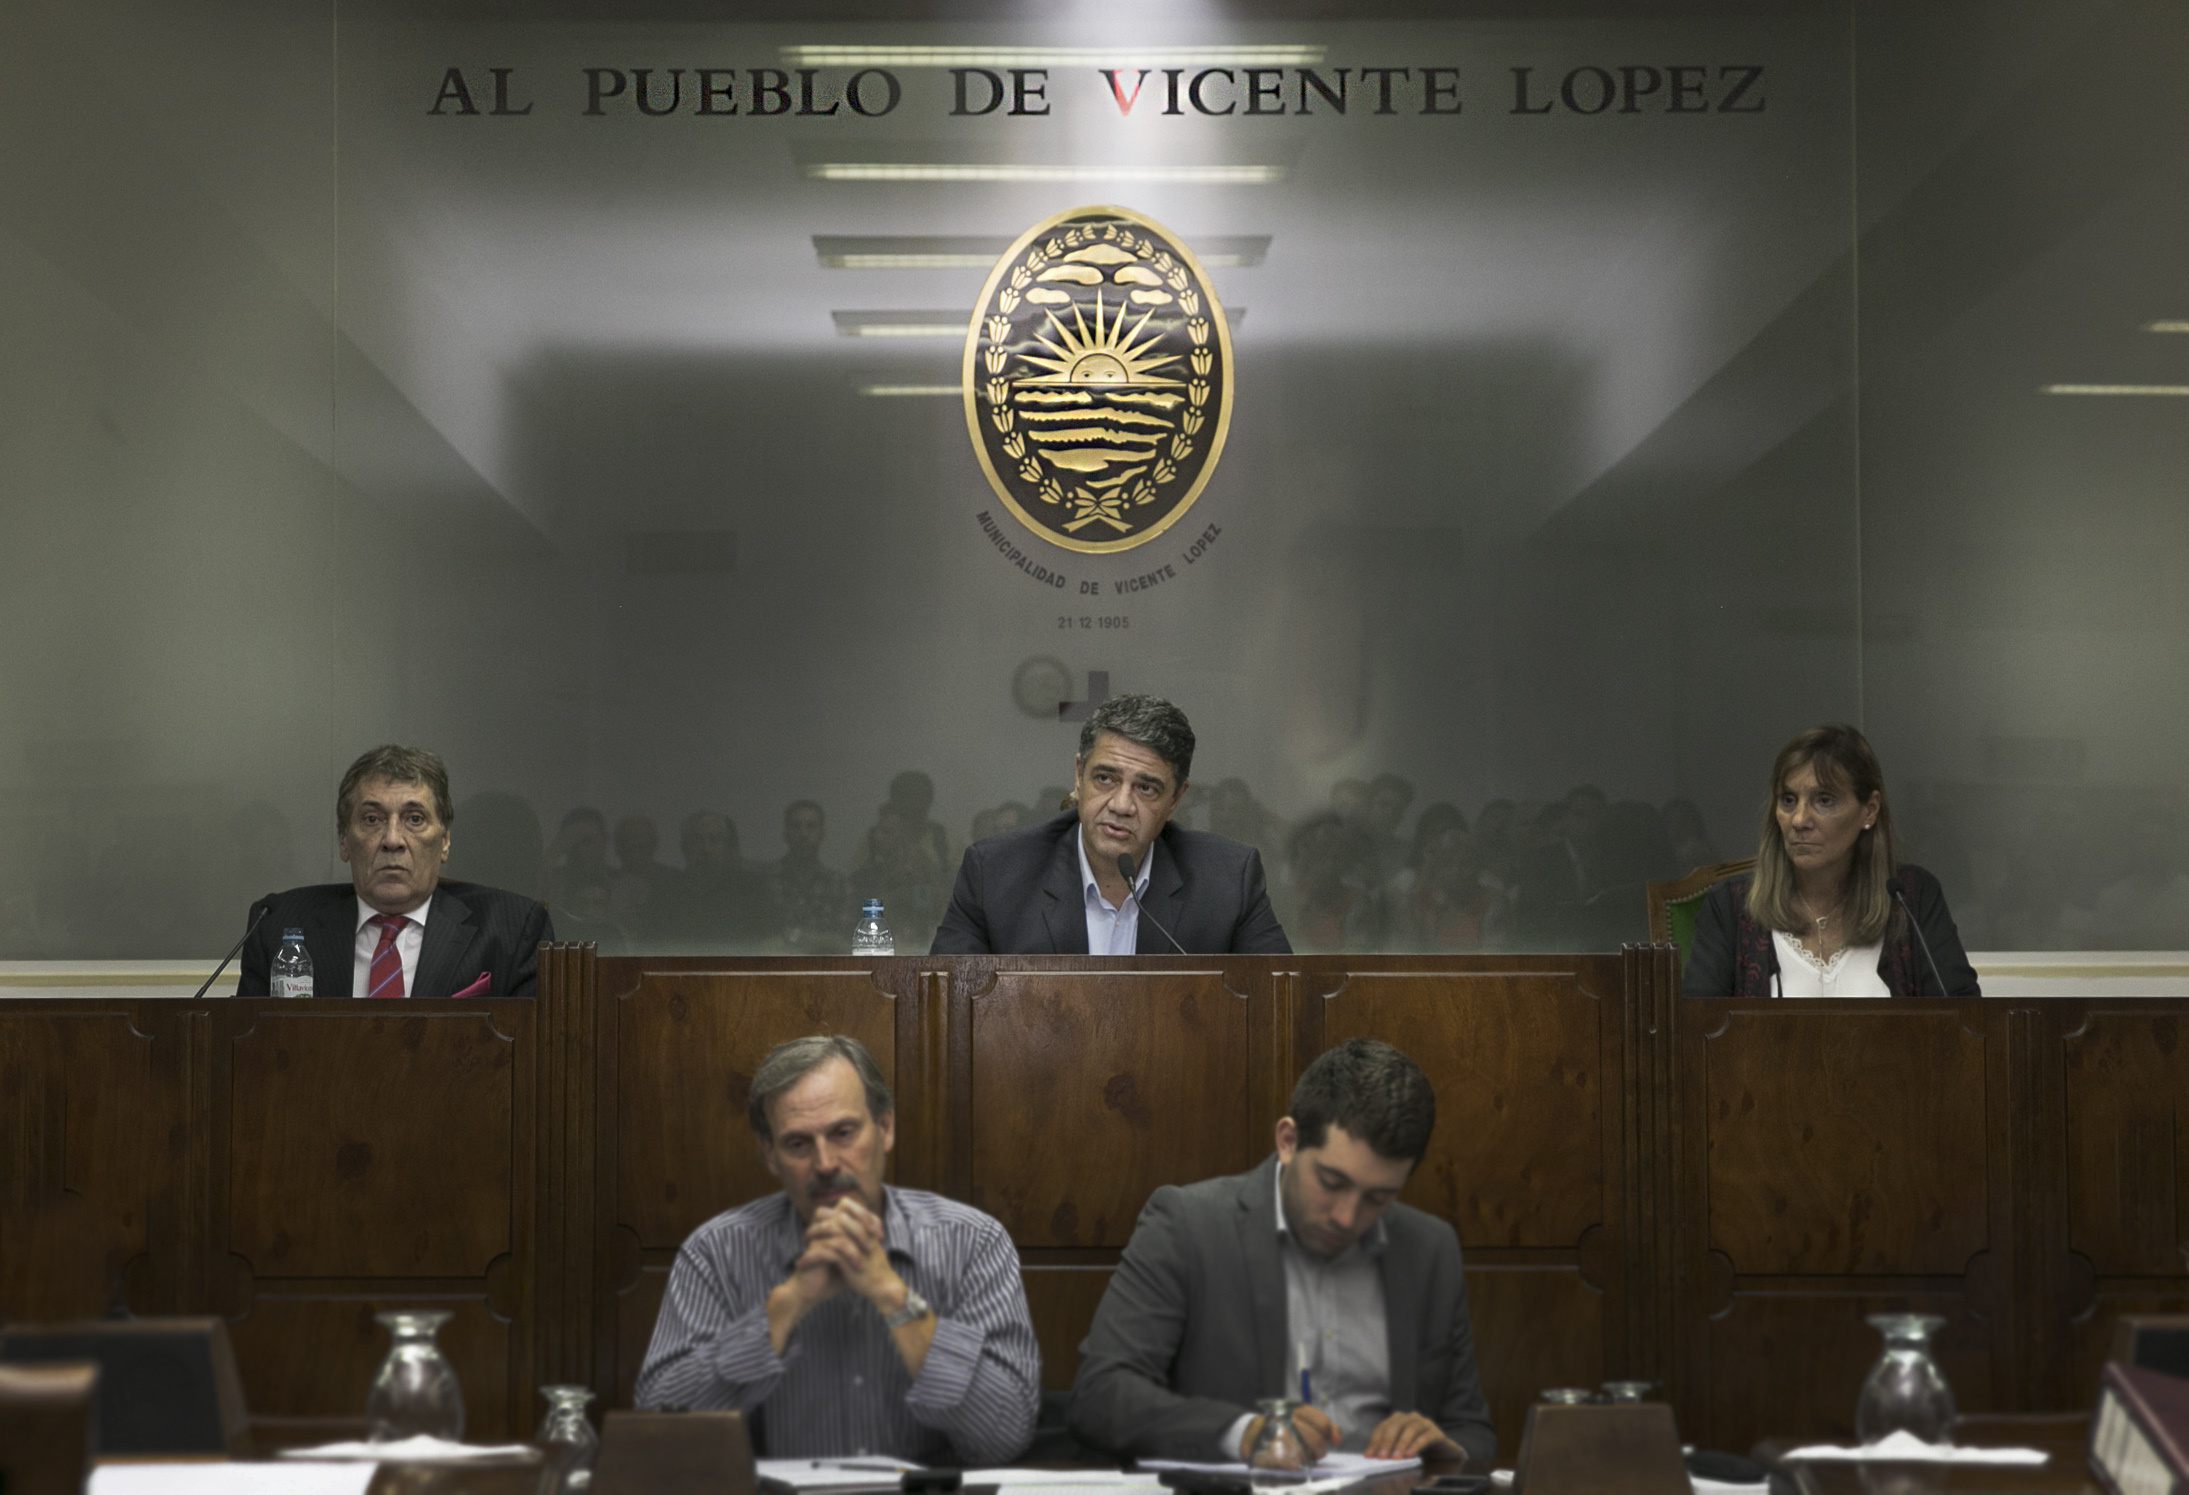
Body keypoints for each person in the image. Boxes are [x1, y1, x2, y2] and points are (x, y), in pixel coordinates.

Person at [1067, 1038, 1495, 1468]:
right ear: (1288, 1140)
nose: (1347, 1217)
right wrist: (1244, 1434)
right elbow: (1100, 1395)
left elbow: (1473, 1432)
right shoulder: (1188, 1225)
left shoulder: (1430, 1249)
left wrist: (1444, 1448)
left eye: (1378, 1198)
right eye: (1331, 1182)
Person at [635, 1035, 1038, 1463]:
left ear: (885, 1128)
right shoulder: (716, 1252)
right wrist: (786, 1306)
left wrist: (893, 1296)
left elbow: (1005, 1437)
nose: (825, 1164)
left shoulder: (973, 1241)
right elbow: (662, 1439)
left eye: (843, 1133)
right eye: (798, 1143)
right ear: (769, 1155)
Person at [930, 695, 1290, 955]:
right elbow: (946, 1004)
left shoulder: (1228, 880)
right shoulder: (996, 874)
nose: (1121, 805)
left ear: (1175, 800)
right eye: (1105, 779)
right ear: (1078, 776)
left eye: (1146, 788)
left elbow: (1280, 1006)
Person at [1682, 724, 1980, 998]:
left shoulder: (1911, 897)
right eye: (1788, 800)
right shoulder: (1732, 907)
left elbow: (1963, 1017)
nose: (1799, 820)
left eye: (1824, 800)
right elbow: (1697, 1027)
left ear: (1869, 810)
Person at [236, 744, 554, 999]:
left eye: (414, 819)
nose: (392, 840)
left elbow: (533, 1053)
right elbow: (249, 1050)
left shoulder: (512, 930)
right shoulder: (277, 924)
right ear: (344, 841)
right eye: (372, 820)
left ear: (444, 841)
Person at [772, 800, 851, 955]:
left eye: (811, 827)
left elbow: (843, 942)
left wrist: (792, 936)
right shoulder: (767, 881)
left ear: (822, 834)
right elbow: (763, 941)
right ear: (785, 834)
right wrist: (822, 941)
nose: (804, 834)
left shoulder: (839, 884)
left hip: (828, 967)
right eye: (796, 826)